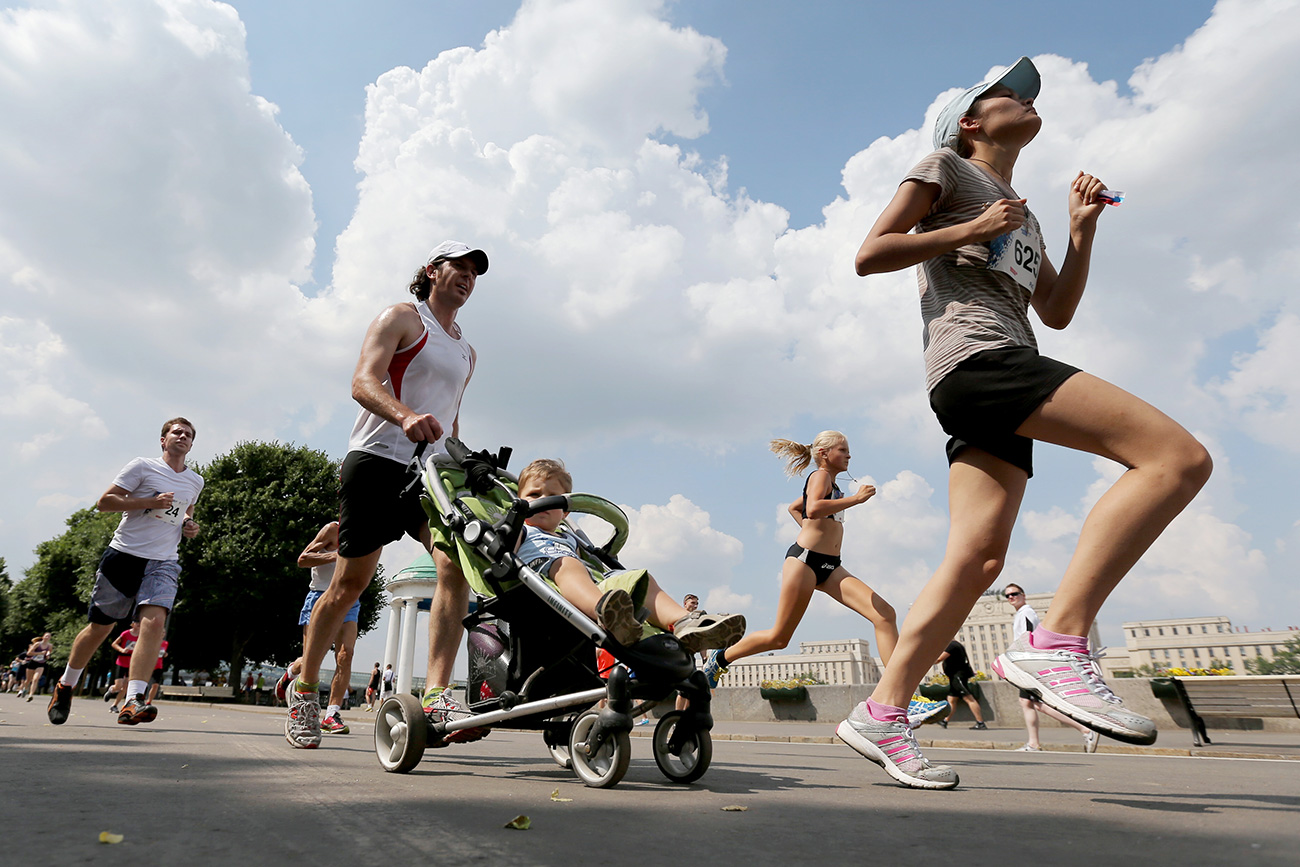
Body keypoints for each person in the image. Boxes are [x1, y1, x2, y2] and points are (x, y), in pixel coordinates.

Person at [839, 55, 1211, 788]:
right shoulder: (944, 165)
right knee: (1176, 458)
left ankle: (881, 712)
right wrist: (972, 225)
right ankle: (1060, 638)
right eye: (1009, 92)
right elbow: (870, 254)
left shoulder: (1027, 211)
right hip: (977, 360)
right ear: (972, 119)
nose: (1026, 99)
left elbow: (1059, 310)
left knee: (978, 558)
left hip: (998, 363)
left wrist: (1079, 228)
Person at [284, 241, 485, 749]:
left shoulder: (466, 349)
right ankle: (306, 691)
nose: (466, 276)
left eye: (473, 272)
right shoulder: (402, 317)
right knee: (349, 585)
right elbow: (363, 381)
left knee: (455, 564)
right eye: (457, 267)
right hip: (377, 461)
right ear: (431, 272)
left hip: (429, 475)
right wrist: (404, 416)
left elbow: (451, 414)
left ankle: (438, 693)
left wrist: (462, 461)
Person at [47, 417, 204, 727]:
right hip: (124, 555)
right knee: (100, 628)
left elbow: (186, 511)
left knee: (155, 622)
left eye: (188, 434)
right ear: (163, 440)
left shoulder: (195, 480)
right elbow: (105, 502)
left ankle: (133, 700)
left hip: (163, 561)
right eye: (177, 432)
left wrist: (189, 526)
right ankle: (66, 685)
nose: (183, 436)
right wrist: (150, 501)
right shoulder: (142, 467)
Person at [515, 459, 746, 654]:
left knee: (639, 580)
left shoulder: (571, 538)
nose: (543, 500)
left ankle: (685, 623)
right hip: (544, 577)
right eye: (534, 495)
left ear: (565, 512)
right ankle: (605, 613)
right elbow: (507, 551)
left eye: (552, 496)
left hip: (596, 585)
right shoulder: (521, 530)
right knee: (568, 565)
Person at [274, 521, 358, 734]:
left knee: (345, 655)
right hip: (321, 595)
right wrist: (335, 556)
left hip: (349, 600)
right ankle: (292, 672)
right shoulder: (333, 529)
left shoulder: (371, 535)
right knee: (312, 659)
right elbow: (303, 560)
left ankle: (331, 714)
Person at [1003, 583, 1098, 753]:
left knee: (1036, 703)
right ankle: (1033, 743)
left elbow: (1027, 638)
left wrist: (1021, 662)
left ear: (1023, 595)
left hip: (1029, 662)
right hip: (1028, 661)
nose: (1011, 597)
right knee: (1027, 702)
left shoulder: (1026, 612)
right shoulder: (1021, 613)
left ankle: (1086, 729)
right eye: (1008, 595)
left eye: (1014, 594)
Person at [934, 639, 986, 730]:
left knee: (969, 698)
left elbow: (939, 659)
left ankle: (980, 723)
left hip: (958, 677)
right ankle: (945, 721)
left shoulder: (951, 645)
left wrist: (924, 661)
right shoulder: (956, 644)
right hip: (956, 677)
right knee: (952, 699)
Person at [104, 621, 140, 713]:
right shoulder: (126, 633)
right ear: (132, 624)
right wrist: (122, 649)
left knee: (126, 686)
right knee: (119, 686)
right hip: (121, 661)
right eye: (137, 622)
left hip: (132, 662)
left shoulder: (141, 636)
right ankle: (112, 689)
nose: (139, 624)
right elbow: (114, 644)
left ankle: (114, 705)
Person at [21, 633, 53, 701]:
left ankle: (30, 695)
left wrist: (47, 656)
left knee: (35, 679)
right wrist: (40, 653)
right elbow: (28, 653)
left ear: (50, 638)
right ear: (43, 637)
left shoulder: (50, 646)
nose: (47, 637)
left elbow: (48, 654)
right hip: (33, 662)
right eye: (46, 636)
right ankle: (25, 689)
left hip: (41, 663)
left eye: (49, 636)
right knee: (28, 680)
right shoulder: (37, 644)